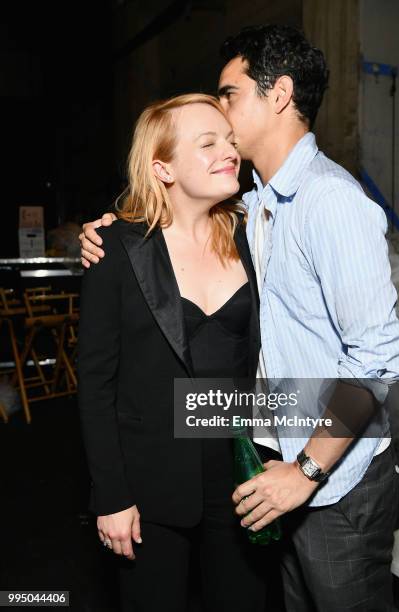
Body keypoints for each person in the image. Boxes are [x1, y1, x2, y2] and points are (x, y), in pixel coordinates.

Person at [80, 25, 399, 612]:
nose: (225, 122)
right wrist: (109, 227)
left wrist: (305, 470)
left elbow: (378, 360)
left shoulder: (328, 202)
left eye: (229, 95)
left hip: (332, 478)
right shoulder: (255, 208)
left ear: (278, 94)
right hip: (265, 468)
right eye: (209, 136)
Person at [77, 93, 278, 612]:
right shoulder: (116, 248)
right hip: (149, 489)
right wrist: (111, 496)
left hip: (242, 478)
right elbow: (96, 386)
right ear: (161, 167)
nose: (229, 151)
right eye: (207, 142)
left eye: (230, 141)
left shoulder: (251, 231)